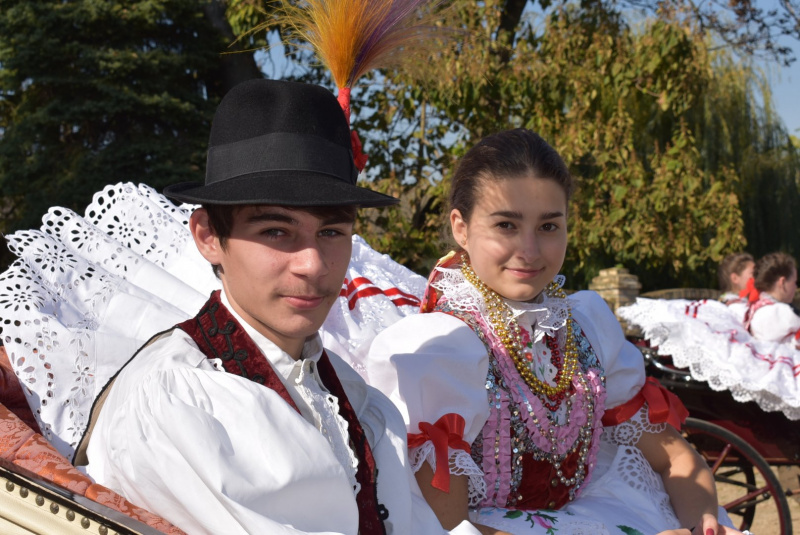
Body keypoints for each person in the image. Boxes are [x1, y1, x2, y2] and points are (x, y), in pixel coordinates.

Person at [73, 79, 481, 535]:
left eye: (331, 232)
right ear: (208, 236)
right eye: (276, 231)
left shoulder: (357, 401)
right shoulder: (176, 403)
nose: (312, 264)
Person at [365, 129, 743, 535]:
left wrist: (703, 522)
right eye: (506, 225)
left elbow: (677, 460)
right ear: (461, 227)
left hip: (601, 512)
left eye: (548, 226)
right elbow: (446, 528)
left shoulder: (587, 327)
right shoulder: (441, 350)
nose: (529, 251)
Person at [741, 251, 800, 346]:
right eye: (794, 282)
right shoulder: (781, 312)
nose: (796, 287)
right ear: (782, 282)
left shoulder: (755, 307)